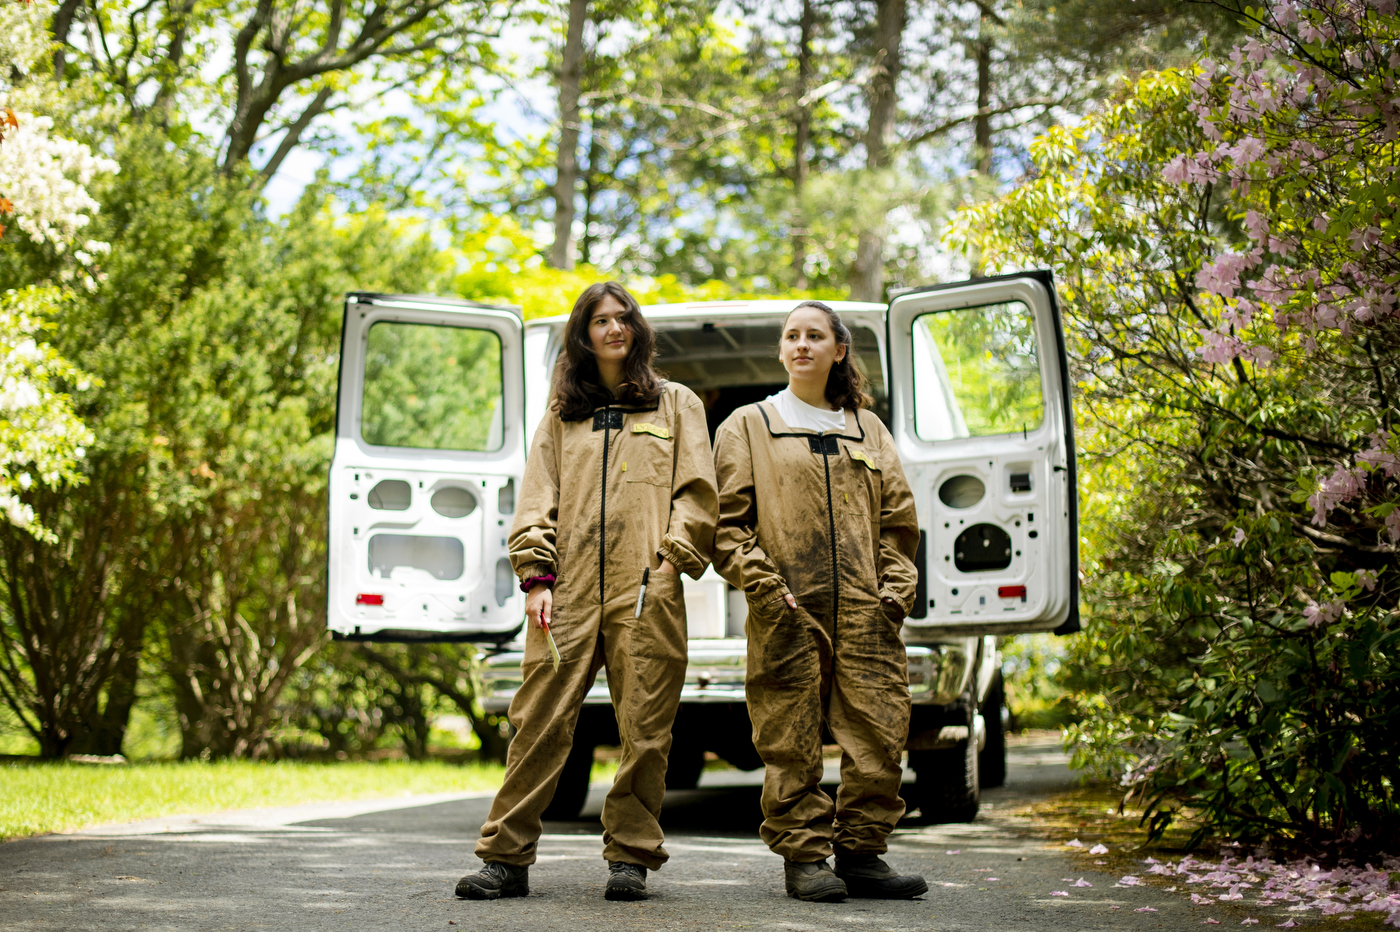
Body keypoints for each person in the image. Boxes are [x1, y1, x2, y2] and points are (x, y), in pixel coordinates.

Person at [456, 282, 717, 902]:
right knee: (537, 723)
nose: (614, 328)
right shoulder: (561, 413)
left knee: (646, 727)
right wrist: (536, 577)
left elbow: (698, 496)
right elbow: (536, 498)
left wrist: (667, 561)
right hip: (566, 592)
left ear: (638, 329)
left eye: (623, 317)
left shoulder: (676, 404)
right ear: (584, 333)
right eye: (600, 320)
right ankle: (505, 858)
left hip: (644, 590)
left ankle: (630, 857)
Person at [711, 300, 926, 903]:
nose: (801, 344)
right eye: (791, 336)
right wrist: (763, 585)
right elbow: (727, 525)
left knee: (881, 732)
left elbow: (899, 522)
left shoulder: (868, 428)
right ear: (781, 351)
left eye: (815, 335)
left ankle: (862, 852)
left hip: (867, 608)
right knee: (790, 735)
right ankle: (804, 857)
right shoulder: (747, 425)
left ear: (838, 350)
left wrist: (893, 592)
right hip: (787, 606)